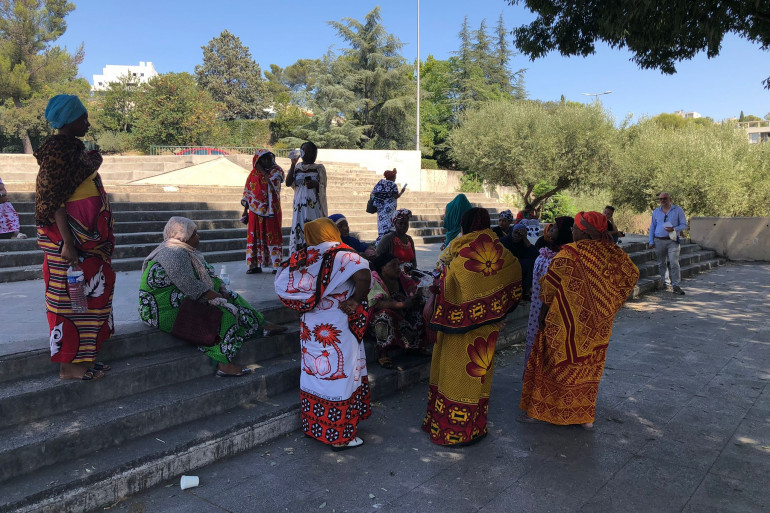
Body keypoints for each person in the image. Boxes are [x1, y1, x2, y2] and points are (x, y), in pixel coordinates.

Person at [519, 211, 639, 429]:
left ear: (584, 232)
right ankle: (583, 416)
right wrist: (610, 305)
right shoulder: (612, 254)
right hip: (597, 327)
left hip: (565, 324)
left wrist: (543, 315)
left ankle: (548, 411)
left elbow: (548, 291)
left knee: (556, 364)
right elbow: (631, 275)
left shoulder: (567, 256)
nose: (572, 231)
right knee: (589, 367)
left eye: (575, 228)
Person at [423, 208, 523, 446]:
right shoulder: (500, 251)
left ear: (465, 225)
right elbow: (516, 271)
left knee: (453, 372)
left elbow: (441, 277)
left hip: (455, 327)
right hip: (487, 328)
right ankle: (472, 427)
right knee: (476, 373)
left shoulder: (458, 251)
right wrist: (498, 308)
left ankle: (450, 429)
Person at [34, 94, 115, 381]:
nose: (87, 122)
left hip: (90, 242)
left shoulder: (74, 151)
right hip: (70, 243)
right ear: (69, 121)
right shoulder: (58, 153)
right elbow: (52, 201)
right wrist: (68, 242)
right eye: (83, 118)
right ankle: (68, 366)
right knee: (67, 302)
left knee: (90, 299)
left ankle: (84, 359)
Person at [139, 217, 283, 376]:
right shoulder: (173, 253)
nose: (198, 237)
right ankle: (222, 363)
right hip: (162, 309)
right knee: (224, 314)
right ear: (184, 237)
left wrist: (221, 291)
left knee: (232, 297)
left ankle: (261, 325)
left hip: (179, 298)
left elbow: (206, 277)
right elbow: (191, 285)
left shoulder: (184, 250)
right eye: (194, 234)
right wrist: (217, 298)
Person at [274, 218, 372, 450]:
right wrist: (356, 300)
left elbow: (282, 284)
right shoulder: (343, 255)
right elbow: (364, 275)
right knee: (340, 371)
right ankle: (340, 436)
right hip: (338, 325)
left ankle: (315, 427)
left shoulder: (303, 258)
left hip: (311, 328)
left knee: (314, 372)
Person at [523, 216, 574, 371]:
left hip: (551, 310)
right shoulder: (546, 250)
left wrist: (544, 312)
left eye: (556, 228)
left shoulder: (565, 256)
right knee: (534, 342)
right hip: (537, 308)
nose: (552, 230)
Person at [368, 252, 426, 369]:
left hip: (400, 314)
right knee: (384, 315)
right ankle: (383, 353)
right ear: (383, 268)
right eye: (393, 265)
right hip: (377, 322)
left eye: (399, 265)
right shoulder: (375, 280)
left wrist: (416, 296)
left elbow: (412, 290)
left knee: (420, 309)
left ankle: (415, 347)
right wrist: (402, 305)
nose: (398, 268)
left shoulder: (402, 278)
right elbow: (377, 304)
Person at [241, 149, 284, 274]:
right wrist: (245, 210)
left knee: (273, 235)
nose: (268, 161)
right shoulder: (252, 174)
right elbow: (247, 192)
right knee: (254, 237)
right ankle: (254, 265)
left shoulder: (277, 171)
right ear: (259, 161)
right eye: (264, 159)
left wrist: (263, 173)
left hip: (272, 210)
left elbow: (273, 184)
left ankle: (276, 265)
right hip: (255, 211)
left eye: (269, 158)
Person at [286, 141, 327, 253]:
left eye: (309, 151)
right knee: (298, 229)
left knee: (313, 229)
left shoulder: (319, 168)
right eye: (304, 151)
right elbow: (288, 182)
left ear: (314, 153)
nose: (307, 153)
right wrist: (293, 164)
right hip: (299, 206)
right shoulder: (297, 167)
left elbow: (323, 188)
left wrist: (316, 184)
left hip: (313, 206)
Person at [649, 192, 687, 295]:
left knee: (674, 262)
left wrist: (674, 228)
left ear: (670, 199)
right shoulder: (656, 212)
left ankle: (676, 285)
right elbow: (652, 226)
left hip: (672, 241)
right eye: (660, 199)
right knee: (661, 263)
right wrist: (651, 240)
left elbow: (684, 225)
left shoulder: (678, 210)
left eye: (664, 199)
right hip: (659, 240)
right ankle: (666, 283)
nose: (662, 201)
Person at [501, 222, 539, 297]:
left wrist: (525, 238)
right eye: (515, 232)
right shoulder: (503, 241)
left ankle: (525, 290)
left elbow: (536, 255)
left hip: (518, 265)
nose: (517, 235)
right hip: (505, 265)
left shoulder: (523, 242)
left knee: (530, 263)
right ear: (512, 231)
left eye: (520, 234)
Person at [370, 169, 406, 244]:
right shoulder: (393, 185)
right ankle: (386, 243)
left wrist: (376, 201)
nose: (395, 178)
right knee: (390, 226)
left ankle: (380, 242)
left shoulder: (380, 183)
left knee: (381, 226)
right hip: (389, 209)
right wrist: (402, 191)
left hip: (380, 209)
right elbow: (396, 196)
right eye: (395, 176)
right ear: (392, 177)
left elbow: (372, 194)